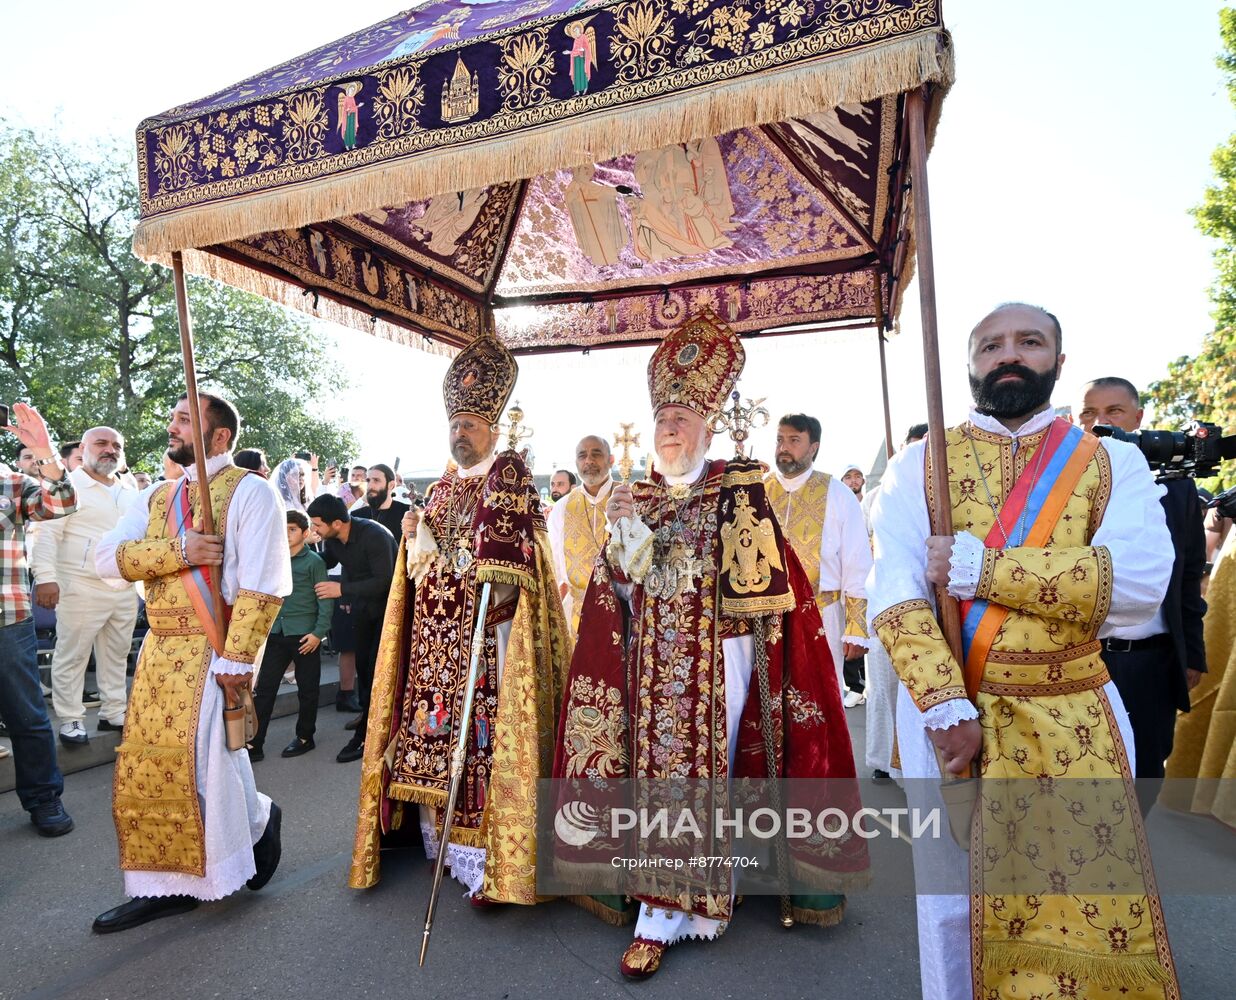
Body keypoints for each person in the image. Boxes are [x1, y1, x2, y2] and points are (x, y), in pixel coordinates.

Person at [867, 303, 1179, 998]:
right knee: (955, 911)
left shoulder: (1109, 461)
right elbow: (892, 588)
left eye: (1029, 342)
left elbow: (1137, 583)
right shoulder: (920, 464)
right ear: (971, 363)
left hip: (1079, 711)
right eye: (991, 345)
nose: (1009, 355)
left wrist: (985, 571)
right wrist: (944, 705)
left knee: (1092, 900)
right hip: (951, 718)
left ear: (1058, 362)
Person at [557, 311, 869, 978]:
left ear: (710, 425)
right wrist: (625, 537)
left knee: (707, 776)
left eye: (683, 418)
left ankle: (686, 904)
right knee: (660, 779)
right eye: (663, 417)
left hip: (719, 661)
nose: (670, 428)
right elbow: (622, 589)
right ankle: (663, 908)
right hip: (649, 662)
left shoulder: (736, 487)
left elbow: (760, 589)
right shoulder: (633, 494)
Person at [349, 333, 571, 906]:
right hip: (434, 637)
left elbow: (521, 560)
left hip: (488, 636)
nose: (460, 433)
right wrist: (412, 536)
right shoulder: (444, 485)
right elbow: (426, 557)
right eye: (456, 424)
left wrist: (489, 560)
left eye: (472, 424)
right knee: (432, 731)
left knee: (480, 739)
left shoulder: (512, 477)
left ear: (494, 430)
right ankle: (443, 845)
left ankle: (490, 857)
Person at [91, 392, 290, 934]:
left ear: (220, 436)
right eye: (173, 417)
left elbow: (264, 583)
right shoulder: (156, 496)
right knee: (148, 766)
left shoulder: (251, 492)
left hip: (213, 646)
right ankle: (164, 881)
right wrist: (180, 551)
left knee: (209, 765)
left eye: (185, 419)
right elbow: (106, 559)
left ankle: (228, 850)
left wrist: (238, 661)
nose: (172, 426)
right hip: (158, 650)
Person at [1076, 376, 1207, 813]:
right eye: (1089, 413)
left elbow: (1188, 577)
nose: (1100, 423)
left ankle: (1132, 864)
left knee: (1146, 771)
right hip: (1083, 657)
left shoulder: (1179, 490)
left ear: (1138, 418)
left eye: (1113, 412)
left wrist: (1192, 654)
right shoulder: (1065, 489)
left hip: (1153, 662)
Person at [32, 427, 140, 746]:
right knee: (73, 654)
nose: (110, 450)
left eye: (116, 445)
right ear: (84, 447)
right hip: (78, 585)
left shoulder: (129, 490)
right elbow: (46, 534)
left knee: (117, 654)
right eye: (102, 443)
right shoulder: (67, 485)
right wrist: (45, 577)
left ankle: (113, 712)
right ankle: (71, 719)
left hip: (122, 587)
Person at [0, 403, 77, 837]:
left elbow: (61, 504)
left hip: (7, 621)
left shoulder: (11, 483)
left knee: (27, 717)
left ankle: (44, 798)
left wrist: (45, 453)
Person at [765, 414, 872, 706]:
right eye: (779, 440)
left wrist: (857, 628)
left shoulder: (836, 493)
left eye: (794, 440)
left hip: (822, 615)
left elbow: (857, 563)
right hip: (765, 619)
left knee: (818, 704)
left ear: (813, 447)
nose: (783, 447)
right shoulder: (759, 491)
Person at [305, 493, 396, 763]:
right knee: (363, 670)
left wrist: (341, 589)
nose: (315, 530)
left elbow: (384, 582)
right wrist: (300, 548)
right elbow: (326, 563)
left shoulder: (375, 536)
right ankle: (368, 718)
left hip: (387, 613)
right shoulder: (333, 540)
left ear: (336, 523)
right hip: (361, 611)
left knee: (375, 669)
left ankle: (369, 736)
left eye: (317, 525)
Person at [861, 422, 926, 784]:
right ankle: (883, 756)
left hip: (926, 601)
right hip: (884, 599)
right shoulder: (874, 497)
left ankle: (913, 765)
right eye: (911, 445)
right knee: (884, 686)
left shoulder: (940, 491)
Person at [249, 510, 333, 761]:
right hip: (276, 633)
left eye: (293, 529)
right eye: (283, 528)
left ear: (305, 533)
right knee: (265, 689)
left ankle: (305, 736)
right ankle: (255, 741)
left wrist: (319, 633)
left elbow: (325, 601)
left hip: (305, 635)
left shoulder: (314, 563)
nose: (287, 534)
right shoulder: (273, 559)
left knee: (308, 690)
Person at [546, 435, 614, 638]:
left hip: (620, 611)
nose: (589, 461)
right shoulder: (562, 507)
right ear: (576, 462)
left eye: (596, 454)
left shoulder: (628, 498)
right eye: (582, 455)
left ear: (611, 460)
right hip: (575, 614)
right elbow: (554, 566)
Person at [352, 463, 409, 539]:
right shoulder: (357, 516)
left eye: (376, 480)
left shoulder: (406, 513)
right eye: (368, 480)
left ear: (391, 485)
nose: (370, 485)